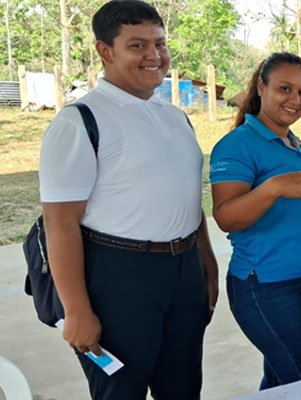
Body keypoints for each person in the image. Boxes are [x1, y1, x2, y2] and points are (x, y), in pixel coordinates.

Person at [38, 2, 218, 399]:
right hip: (119, 278)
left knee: (184, 388)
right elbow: (60, 224)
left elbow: (187, 198)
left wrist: (206, 264)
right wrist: (77, 311)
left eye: (160, 43)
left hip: (183, 271)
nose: (154, 56)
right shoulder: (81, 121)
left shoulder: (175, 117)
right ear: (106, 51)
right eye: (138, 45)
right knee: (122, 391)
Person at [209, 52, 301, 390]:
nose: (296, 100)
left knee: (280, 380)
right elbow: (226, 217)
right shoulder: (237, 146)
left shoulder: (294, 144)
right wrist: (273, 188)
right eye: (285, 89)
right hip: (265, 286)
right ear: (262, 87)